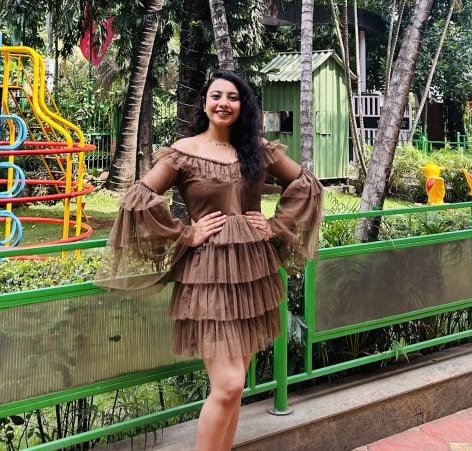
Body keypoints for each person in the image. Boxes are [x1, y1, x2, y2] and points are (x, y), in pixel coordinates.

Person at [98, 69, 323, 451]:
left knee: (235, 390)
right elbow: (137, 198)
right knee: (229, 384)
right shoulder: (183, 151)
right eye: (216, 95)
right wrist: (187, 233)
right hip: (205, 275)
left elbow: (307, 185)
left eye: (233, 97)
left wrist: (274, 226)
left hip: (253, 272)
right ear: (204, 102)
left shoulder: (257, 149)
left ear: (243, 105)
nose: (224, 103)